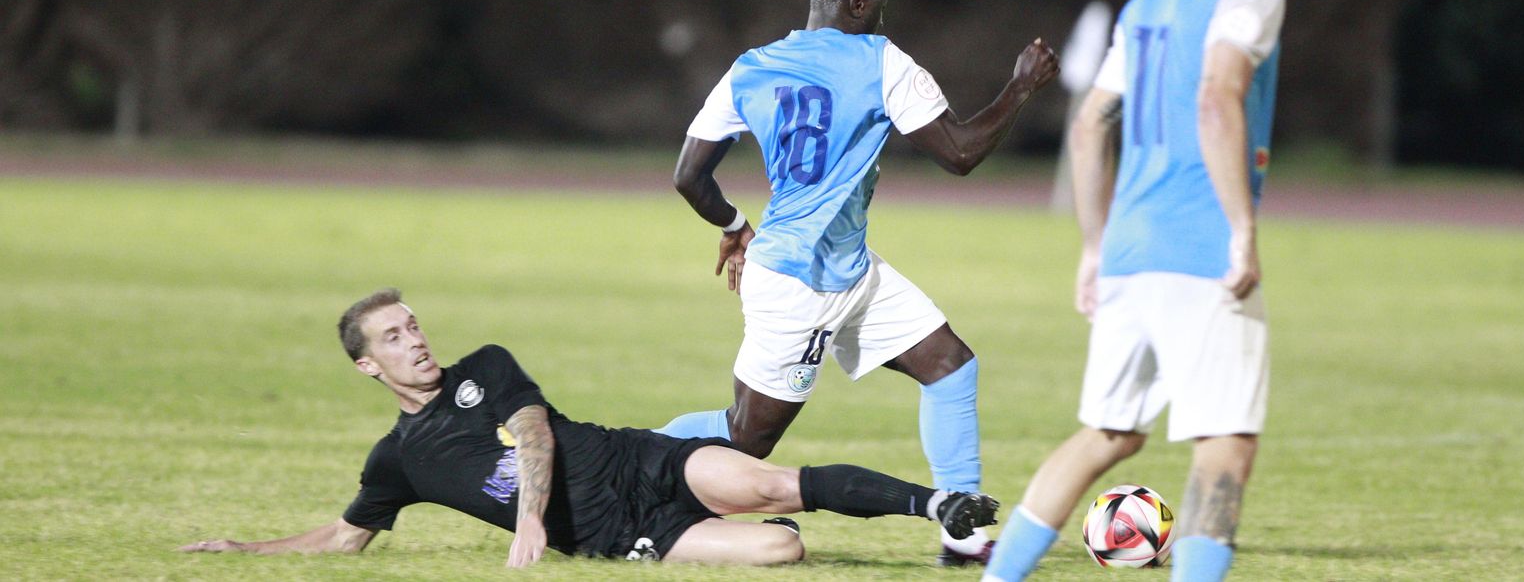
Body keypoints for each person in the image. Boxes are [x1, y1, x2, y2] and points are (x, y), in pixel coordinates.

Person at [654, 0, 1059, 566]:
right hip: (803, 284)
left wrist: (735, 223)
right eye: (883, 1)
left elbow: (688, 177)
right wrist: (1021, 86)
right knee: (746, 439)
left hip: (845, 268)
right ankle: (619, 459)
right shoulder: (880, 62)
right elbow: (959, 154)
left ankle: (964, 535)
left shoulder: (751, 67)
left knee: (950, 364)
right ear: (862, 2)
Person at [982, 0, 1290, 582]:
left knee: (1108, 433)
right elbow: (1217, 97)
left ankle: (998, 577)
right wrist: (1242, 233)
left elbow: (1091, 122)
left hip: (1129, 246)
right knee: (1225, 442)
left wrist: (1095, 245)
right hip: (1199, 245)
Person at [179, 289, 999, 567]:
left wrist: (530, 518)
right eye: (393, 337)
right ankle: (728, 518)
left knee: (767, 482)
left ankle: (939, 508)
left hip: (640, 464)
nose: (416, 340)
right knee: (780, 548)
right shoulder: (396, 461)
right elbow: (345, 538)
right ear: (367, 366)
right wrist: (246, 552)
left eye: (414, 325)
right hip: (622, 537)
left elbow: (533, 433)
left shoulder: (484, 368)